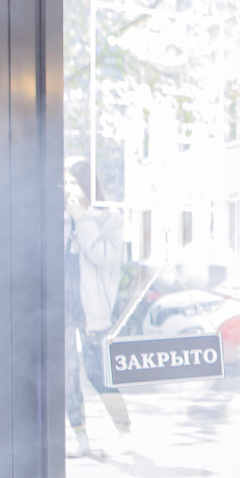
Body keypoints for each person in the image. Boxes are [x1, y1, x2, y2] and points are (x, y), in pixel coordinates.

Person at [64, 161, 131, 456]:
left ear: (87, 186)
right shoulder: (63, 220)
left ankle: (124, 429)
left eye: (73, 183)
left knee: (97, 373)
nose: (67, 190)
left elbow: (104, 257)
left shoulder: (108, 218)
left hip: (91, 309)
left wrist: (82, 220)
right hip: (63, 308)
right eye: (64, 184)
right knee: (68, 374)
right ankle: (80, 438)